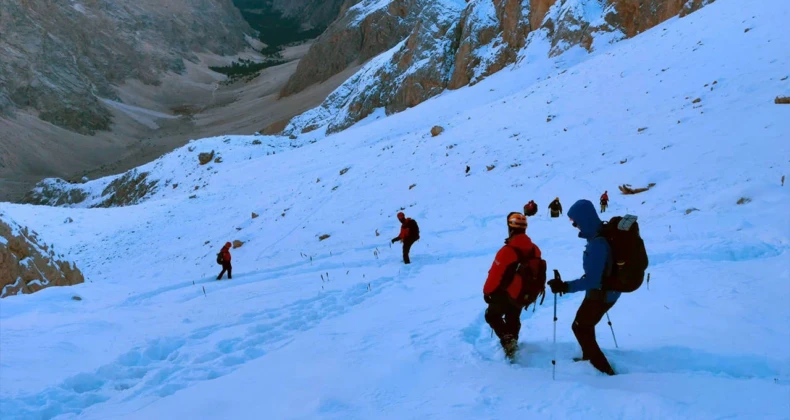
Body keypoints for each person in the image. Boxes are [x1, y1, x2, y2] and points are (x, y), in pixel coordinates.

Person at [547, 199, 619, 375]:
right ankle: (589, 357)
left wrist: (565, 286)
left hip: (602, 294)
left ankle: (603, 369)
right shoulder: (597, 235)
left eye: (575, 222)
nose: (575, 226)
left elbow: (593, 280)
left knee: (580, 327)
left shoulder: (598, 244)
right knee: (585, 324)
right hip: (603, 292)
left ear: (584, 219)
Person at [483, 212, 546, 359]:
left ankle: (508, 340)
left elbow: (495, 275)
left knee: (492, 315)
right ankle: (513, 342)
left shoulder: (507, 251)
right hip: (523, 292)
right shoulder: (534, 249)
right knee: (513, 316)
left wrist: (487, 292)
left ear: (510, 229)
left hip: (505, 293)